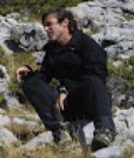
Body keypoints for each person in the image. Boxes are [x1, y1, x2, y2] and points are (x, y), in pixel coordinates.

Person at [16, 8, 116, 150]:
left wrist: (67, 89)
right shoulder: (53, 50)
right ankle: (60, 131)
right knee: (31, 84)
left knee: (93, 81)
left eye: (49, 24)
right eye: (44, 25)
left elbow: (97, 72)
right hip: (65, 105)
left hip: (90, 101)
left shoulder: (86, 44)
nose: (46, 29)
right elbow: (45, 75)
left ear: (65, 23)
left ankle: (105, 130)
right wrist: (29, 73)